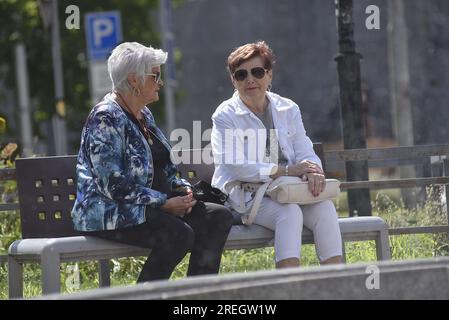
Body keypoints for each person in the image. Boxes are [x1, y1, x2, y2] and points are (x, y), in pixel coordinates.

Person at [71, 42, 233, 282]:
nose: (161, 82)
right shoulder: (105, 117)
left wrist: (183, 190)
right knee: (178, 234)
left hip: (150, 207)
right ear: (134, 80)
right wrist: (163, 202)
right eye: (155, 76)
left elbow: (163, 167)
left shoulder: (143, 113)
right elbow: (111, 185)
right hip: (109, 212)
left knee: (217, 217)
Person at [211, 41, 342, 268]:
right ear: (234, 80)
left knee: (325, 209)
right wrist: (286, 170)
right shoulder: (225, 115)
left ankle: (336, 286)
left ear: (269, 75)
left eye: (258, 72)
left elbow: (304, 149)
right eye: (241, 75)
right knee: (289, 214)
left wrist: (313, 170)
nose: (250, 80)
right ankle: (287, 289)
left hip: (289, 188)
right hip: (247, 193)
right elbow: (234, 165)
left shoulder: (288, 108)